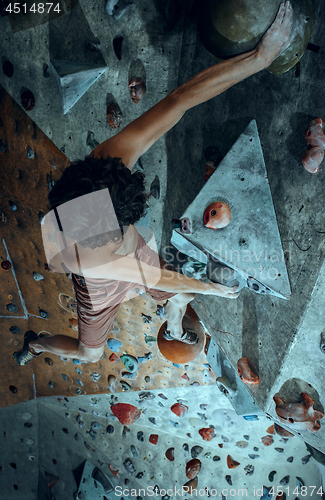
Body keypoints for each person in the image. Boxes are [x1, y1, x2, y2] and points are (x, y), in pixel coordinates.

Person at [14, 1, 293, 365]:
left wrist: (259, 58)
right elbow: (163, 276)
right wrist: (212, 288)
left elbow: (181, 100)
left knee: (178, 293)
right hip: (99, 284)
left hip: (130, 254)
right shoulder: (92, 261)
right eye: (120, 228)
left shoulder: (106, 162)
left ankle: (176, 328)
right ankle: (38, 344)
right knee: (91, 354)